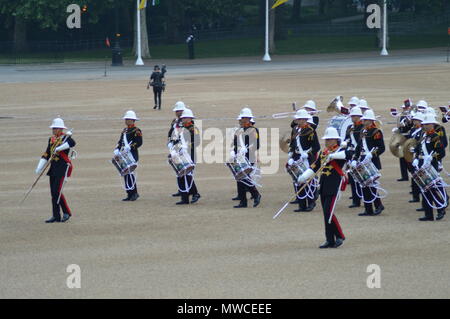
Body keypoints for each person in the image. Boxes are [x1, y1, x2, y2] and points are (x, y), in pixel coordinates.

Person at [297, 127, 351, 248]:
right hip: (324, 185)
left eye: (329, 139)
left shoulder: (341, 150)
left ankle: (340, 236)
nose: (326, 142)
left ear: (335, 140)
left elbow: (348, 155)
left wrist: (333, 156)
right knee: (326, 213)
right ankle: (329, 239)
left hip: (335, 185)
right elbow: (315, 167)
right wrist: (304, 177)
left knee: (329, 212)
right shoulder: (324, 152)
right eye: (326, 140)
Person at [35, 118, 76, 223]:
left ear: (61, 128)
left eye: (55, 128)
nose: (53, 130)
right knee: (53, 193)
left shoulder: (66, 138)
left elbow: (72, 143)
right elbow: (47, 153)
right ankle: (56, 215)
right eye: (53, 128)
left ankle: (66, 212)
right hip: (53, 168)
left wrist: (59, 148)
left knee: (57, 191)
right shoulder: (51, 139)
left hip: (62, 168)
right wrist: (40, 166)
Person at [412, 114, 447, 221]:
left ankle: (440, 208)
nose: (425, 126)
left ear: (432, 125)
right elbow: (418, 149)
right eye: (424, 124)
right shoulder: (423, 136)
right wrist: (416, 158)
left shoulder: (436, 137)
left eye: (427, 124)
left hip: (431, 166)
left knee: (432, 189)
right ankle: (428, 214)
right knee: (425, 190)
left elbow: (441, 153)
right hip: (422, 165)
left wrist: (431, 158)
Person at [353, 109, 385, 216]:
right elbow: (358, 147)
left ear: (371, 120)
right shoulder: (363, 131)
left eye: (366, 119)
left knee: (371, 185)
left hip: (371, 161)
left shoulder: (376, 132)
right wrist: (354, 158)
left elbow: (381, 148)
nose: (364, 121)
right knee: (364, 186)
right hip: (362, 160)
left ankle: (378, 205)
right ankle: (368, 209)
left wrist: (372, 154)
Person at [288, 109, 320, 212]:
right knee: (298, 180)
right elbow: (293, 143)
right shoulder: (295, 130)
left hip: (307, 158)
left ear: (305, 119)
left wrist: (307, 154)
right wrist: (291, 155)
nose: (299, 120)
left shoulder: (310, 130)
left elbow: (316, 147)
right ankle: (301, 204)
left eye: (301, 119)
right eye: (298, 119)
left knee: (308, 181)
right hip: (297, 157)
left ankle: (311, 202)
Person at [231, 108, 261, 208]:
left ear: (249, 118)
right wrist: (233, 152)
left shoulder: (254, 130)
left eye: (245, 118)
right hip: (240, 157)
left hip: (250, 157)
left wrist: (247, 149)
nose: (243, 120)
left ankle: (256, 194)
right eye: (242, 118)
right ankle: (243, 201)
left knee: (244, 177)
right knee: (240, 178)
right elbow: (235, 144)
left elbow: (257, 145)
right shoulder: (238, 131)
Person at [172, 108, 201, 205]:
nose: (183, 119)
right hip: (180, 154)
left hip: (190, 154)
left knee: (188, 175)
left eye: (185, 118)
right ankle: (185, 197)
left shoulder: (194, 129)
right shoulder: (181, 128)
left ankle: (194, 193)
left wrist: (187, 146)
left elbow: (197, 142)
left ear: (190, 118)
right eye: (182, 118)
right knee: (181, 174)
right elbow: (175, 139)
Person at [114, 110, 142, 201]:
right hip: (124, 155)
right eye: (126, 119)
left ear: (133, 120)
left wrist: (130, 147)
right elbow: (120, 141)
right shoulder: (124, 130)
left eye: (129, 119)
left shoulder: (136, 130)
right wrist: (117, 149)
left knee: (130, 174)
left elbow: (139, 142)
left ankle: (134, 193)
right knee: (126, 173)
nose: (127, 121)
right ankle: (129, 193)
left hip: (132, 154)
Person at [344, 106, 364, 208]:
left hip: (360, 155)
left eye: (355, 116)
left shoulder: (363, 128)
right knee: (352, 179)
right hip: (351, 155)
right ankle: (355, 200)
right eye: (352, 116)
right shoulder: (350, 128)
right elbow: (346, 140)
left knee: (362, 179)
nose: (353, 117)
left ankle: (364, 199)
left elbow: (362, 144)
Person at [168, 101, 187, 198]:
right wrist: (170, 143)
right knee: (178, 170)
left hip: (184, 149)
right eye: (176, 111)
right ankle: (181, 189)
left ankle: (191, 192)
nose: (178, 113)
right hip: (175, 148)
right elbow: (171, 133)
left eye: (179, 111)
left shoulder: (187, 122)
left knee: (187, 172)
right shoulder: (174, 121)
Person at [393, 99, 414, 182]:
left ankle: (413, 173)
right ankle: (404, 176)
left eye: (406, 108)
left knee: (409, 157)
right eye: (404, 108)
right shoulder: (402, 116)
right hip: (402, 138)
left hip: (408, 138)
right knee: (401, 157)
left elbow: (410, 127)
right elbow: (400, 127)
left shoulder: (413, 116)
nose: (404, 109)